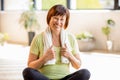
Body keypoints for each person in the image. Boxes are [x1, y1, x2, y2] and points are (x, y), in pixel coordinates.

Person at [23, 4, 91, 80]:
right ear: (49, 19)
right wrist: (44, 58)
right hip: (45, 78)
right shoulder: (38, 38)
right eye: (55, 18)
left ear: (65, 21)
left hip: (65, 78)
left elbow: (78, 65)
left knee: (85, 73)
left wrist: (70, 55)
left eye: (62, 19)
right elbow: (30, 66)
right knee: (27, 72)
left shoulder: (70, 38)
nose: (58, 22)